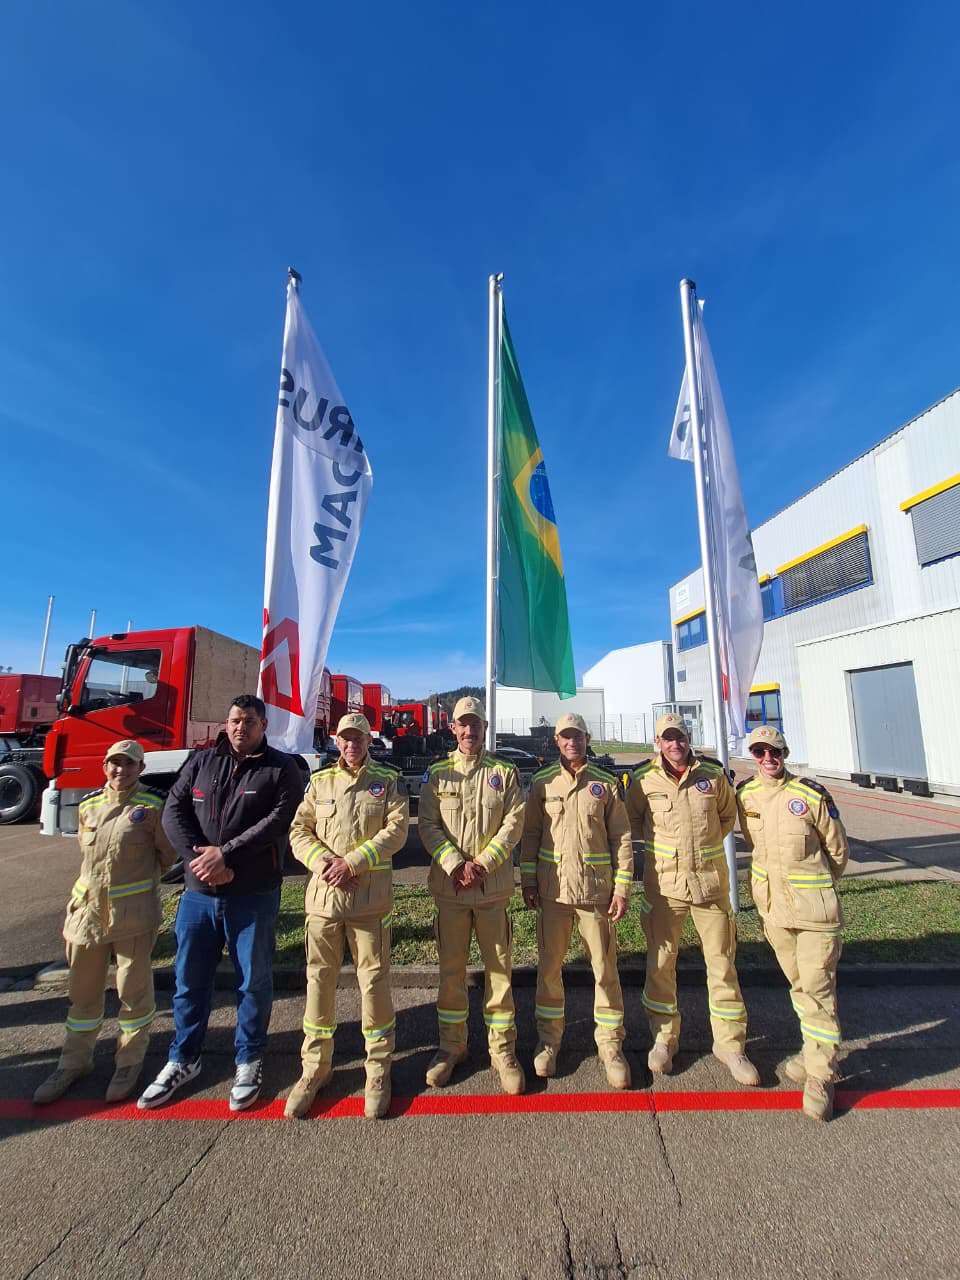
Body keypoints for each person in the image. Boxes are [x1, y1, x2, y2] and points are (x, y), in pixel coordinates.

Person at [138, 695, 303, 1111]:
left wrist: (226, 856)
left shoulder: (280, 768)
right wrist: (201, 861)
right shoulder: (201, 762)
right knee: (189, 981)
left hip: (253, 893)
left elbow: (278, 821)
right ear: (225, 724)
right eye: (234, 720)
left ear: (263, 726)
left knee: (253, 982)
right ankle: (183, 1057)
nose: (239, 727)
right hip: (198, 895)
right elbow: (173, 812)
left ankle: (249, 1059)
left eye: (248, 721)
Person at [33, 740, 178, 1105]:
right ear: (105, 766)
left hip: (132, 915)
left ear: (140, 769)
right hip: (86, 915)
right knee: (82, 995)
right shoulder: (89, 806)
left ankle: (128, 1062)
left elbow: (166, 855)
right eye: (115, 763)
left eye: (129, 764)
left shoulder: (152, 807)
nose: (120, 770)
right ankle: (73, 1062)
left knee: (133, 994)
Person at [285, 713, 409, 1120]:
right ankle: (314, 1069)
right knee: (319, 982)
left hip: (368, 901)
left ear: (370, 740)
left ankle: (378, 1069)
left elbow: (396, 831)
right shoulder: (320, 781)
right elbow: (298, 831)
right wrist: (327, 865)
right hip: (324, 900)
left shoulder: (387, 781)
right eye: (345, 738)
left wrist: (352, 863)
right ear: (336, 741)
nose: (352, 744)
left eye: (358, 738)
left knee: (374, 983)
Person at [626, 713, 759, 1086]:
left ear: (688, 738)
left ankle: (730, 1046)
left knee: (722, 965)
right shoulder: (642, 779)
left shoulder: (713, 776)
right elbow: (634, 822)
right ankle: (664, 1039)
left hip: (709, 885)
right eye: (667, 738)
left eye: (680, 737)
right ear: (657, 743)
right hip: (664, 887)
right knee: (660, 965)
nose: (675, 744)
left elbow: (726, 818)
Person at [736, 725, 849, 1121]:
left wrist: (815, 886)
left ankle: (821, 1076)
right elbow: (755, 846)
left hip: (815, 912)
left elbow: (837, 852)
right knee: (800, 986)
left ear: (785, 753)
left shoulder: (810, 795)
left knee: (818, 990)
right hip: (774, 911)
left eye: (775, 752)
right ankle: (813, 1051)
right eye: (760, 752)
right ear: (753, 755)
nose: (768, 758)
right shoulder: (746, 795)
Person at [418, 696, 526, 1094]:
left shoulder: (505, 772)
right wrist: (456, 865)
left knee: (499, 973)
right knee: (451, 973)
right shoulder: (438, 774)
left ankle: (503, 1051)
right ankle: (452, 1047)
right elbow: (427, 825)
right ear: (453, 729)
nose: (469, 730)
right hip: (451, 891)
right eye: (462, 724)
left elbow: (514, 823)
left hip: (491, 890)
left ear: (484, 727)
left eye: (475, 724)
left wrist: (481, 864)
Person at [520, 712, 633, 1088]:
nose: (572, 742)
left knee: (605, 970)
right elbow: (531, 835)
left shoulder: (605, 784)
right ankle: (549, 1042)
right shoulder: (542, 782)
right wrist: (528, 880)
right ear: (556, 741)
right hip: (553, 892)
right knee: (549, 970)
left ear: (587, 738)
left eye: (578, 736)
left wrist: (622, 887)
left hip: (596, 893)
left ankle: (611, 1045)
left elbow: (621, 839)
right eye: (565, 736)